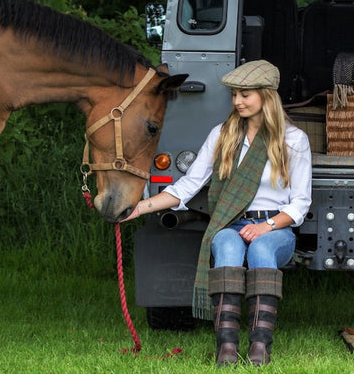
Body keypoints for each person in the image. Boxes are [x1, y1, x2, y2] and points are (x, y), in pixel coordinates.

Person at [123, 60, 312, 366]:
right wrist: (139, 207)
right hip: (230, 223)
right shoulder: (223, 134)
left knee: (263, 249)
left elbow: (300, 203)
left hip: (276, 228)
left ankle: (260, 346)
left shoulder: (293, 140)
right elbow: (187, 186)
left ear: (266, 96)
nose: (237, 101)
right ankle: (226, 346)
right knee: (225, 245)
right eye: (235, 95)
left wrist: (267, 227)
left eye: (245, 95)